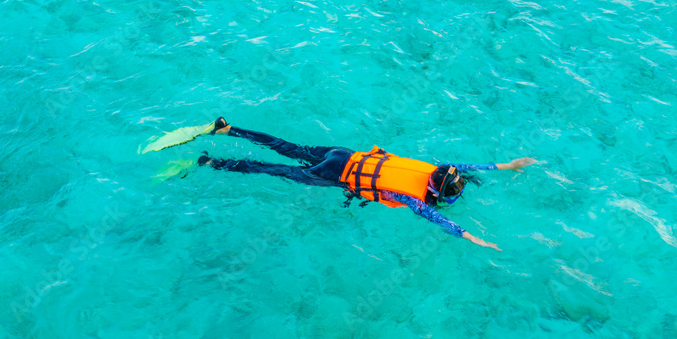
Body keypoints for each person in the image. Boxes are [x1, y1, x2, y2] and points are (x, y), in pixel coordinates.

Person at [197, 118, 535, 250]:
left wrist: (504, 165)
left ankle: (228, 129)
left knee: (285, 146)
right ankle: (214, 163)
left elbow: (462, 166)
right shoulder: (414, 199)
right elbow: (436, 218)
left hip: (344, 155)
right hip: (335, 176)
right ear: (437, 192)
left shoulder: (434, 167)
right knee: (273, 170)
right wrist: (469, 235)